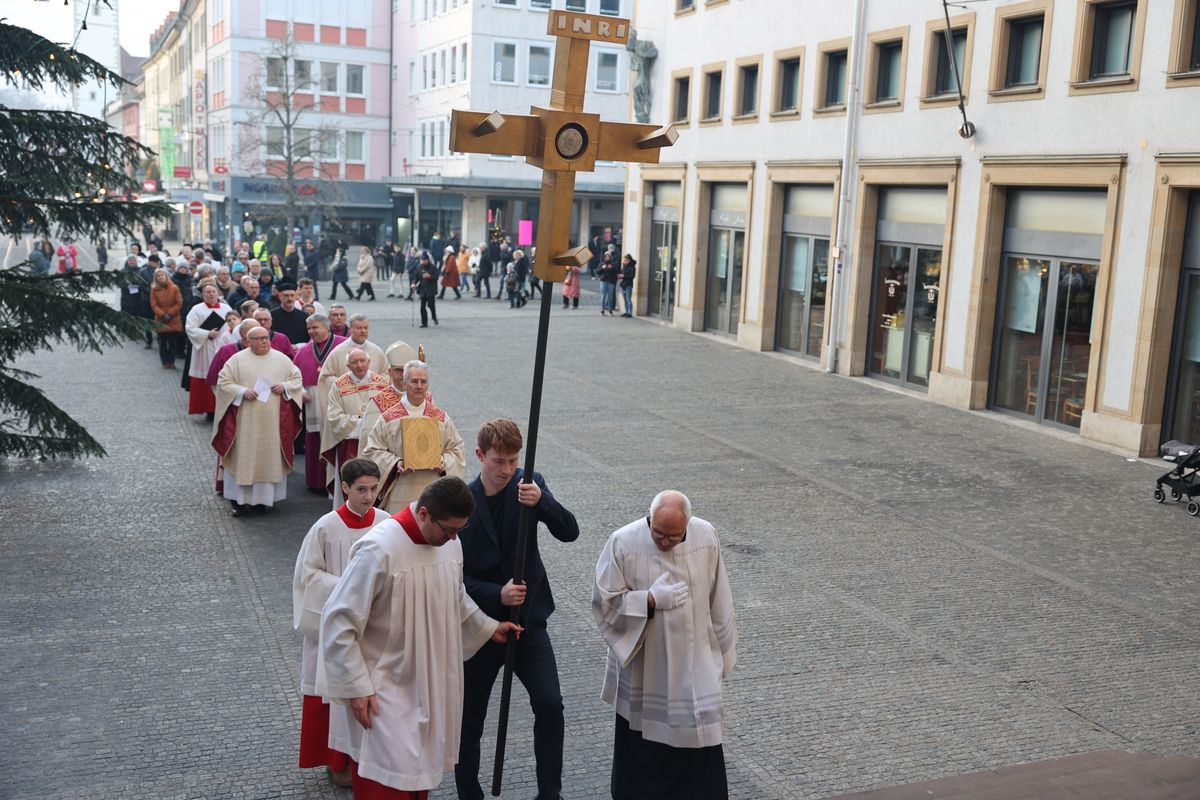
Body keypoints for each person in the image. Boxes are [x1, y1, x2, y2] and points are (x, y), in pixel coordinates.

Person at [317, 477, 522, 800]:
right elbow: (339, 620)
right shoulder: (379, 549)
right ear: (424, 514)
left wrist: (487, 627)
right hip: (383, 688)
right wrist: (356, 687)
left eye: (460, 531)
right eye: (449, 530)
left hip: (426, 683)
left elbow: (454, 597)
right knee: (385, 781)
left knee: (415, 776)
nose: (454, 538)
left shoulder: (449, 543)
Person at [455, 419, 579, 800]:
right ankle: (469, 792)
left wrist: (543, 501)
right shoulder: (463, 500)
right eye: (498, 461)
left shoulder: (529, 484)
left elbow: (569, 531)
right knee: (470, 717)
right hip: (480, 624)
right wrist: (497, 593)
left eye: (512, 460)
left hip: (528, 622)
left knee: (550, 703)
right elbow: (453, 576)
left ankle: (549, 794)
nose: (507, 469)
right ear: (480, 456)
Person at [592, 491, 737, 800]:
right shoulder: (623, 542)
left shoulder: (705, 536)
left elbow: (719, 595)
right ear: (649, 519)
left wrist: (724, 649)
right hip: (647, 665)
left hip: (694, 662)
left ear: (688, 525)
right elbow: (605, 603)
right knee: (644, 747)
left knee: (698, 744)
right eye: (659, 534)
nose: (665, 543)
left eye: (674, 536)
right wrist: (648, 600)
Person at [292, 457, 382, 789]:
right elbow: (308, 576)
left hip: (372, 626)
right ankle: (337, 762)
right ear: (344, 487)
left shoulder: (385, 524)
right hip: (334, 623)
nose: (368, 496)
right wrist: (347, 587)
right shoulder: (325, 528)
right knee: (334, 695)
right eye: (361, 489)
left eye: (374, 489)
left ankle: (369, 760)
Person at [212, 326, 304, 516]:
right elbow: (223, 383)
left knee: (267, 459)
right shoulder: (237, 360)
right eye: (259, 338)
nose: (264, 342)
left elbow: (296, 379)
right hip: (245, 422)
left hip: (273, 422)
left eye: (267, 338)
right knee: (243, 458)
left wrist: (284, 386)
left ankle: (263, 501)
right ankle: (238, 501)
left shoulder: (281, 359)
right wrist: (242, 391)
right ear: (248, 339)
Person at [361, 359, 465, 514]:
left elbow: (457, 450)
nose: (419, 386)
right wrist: (396, 464)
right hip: (401, 490)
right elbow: (372, 452)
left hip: (434, 490)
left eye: (423, 382)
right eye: (414, 381)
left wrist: (443, 462)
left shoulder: (441, 418)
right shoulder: (389, 418)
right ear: (404, 383)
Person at [321, 348, 389, 505]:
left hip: (376, 443)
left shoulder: (381, 384)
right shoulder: (338, 386)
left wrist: (369, 424)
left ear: (369, 362)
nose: (359, 365)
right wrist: (362, 423)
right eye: (354, 362)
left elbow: (389, 414)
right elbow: (335, 417)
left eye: (362, 361)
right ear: (347, 365)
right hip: (350, 444)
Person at [293, 313, 347, 495]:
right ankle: (316, 481)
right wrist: (300, 391)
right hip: (313, 402)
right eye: (309, 328)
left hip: (337, 402)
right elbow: (294, 377)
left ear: (326, 327)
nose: (311, 331)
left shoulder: (343, 345)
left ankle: (336, 483)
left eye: (315, 327)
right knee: (315, 440)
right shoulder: (303, 351)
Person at [185, 281, 235, 420]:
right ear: (203, 295)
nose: (211, 294)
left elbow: (234, 324)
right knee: (206, 377)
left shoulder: (226, 308)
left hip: (222, 346)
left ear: (218, 293)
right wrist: (207, 333)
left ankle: (224, 408)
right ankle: (209, 410)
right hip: (204, 348)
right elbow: (190, 328)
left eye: (213, 291)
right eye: (208, 292)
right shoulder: (197, 309)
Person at [150, 268, 184, 369]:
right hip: (161, 319)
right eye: (158, 276)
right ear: (156, 278)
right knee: (162, 342)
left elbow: (179, 303)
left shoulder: (174, 288)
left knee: (172, 342)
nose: (161, 278)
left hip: (173, 318)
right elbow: (153, 304)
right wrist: (162, 314)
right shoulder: (154, 289)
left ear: (166, 276)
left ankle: (172, 361)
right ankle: (165, 361)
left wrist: (170, 313)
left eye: (162, 275)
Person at [271, 280, 310, 345]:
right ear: (280, 296)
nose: (289, 298)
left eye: (292, 295)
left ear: (296, 296)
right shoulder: (271, 316)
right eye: (286, 295)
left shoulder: (304, 317)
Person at [416, 251, 439, 327]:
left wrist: (429, 276)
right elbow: (416, 277)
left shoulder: (433, 267)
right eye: (422, 260)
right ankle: (424, 322)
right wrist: (413, 283)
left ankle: (434, 316)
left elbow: (436, 278)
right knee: (422, 307)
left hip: (431, 289)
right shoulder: (419, 267)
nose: (423, 261)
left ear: (428, 260)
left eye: (425, 260)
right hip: (422, 289)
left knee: (430, 305)